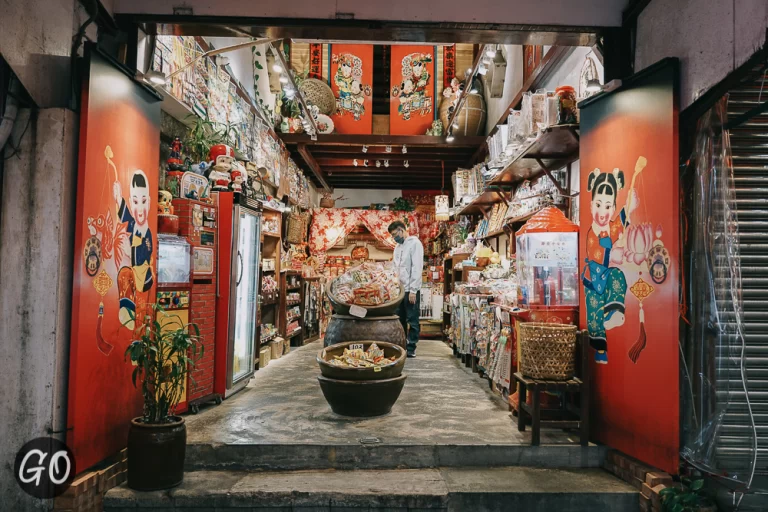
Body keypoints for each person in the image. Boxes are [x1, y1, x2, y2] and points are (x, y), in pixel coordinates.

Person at [389, 221, 424, 358]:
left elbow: (417, 267)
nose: (394, 238)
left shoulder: (415, 244)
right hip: (400, 289)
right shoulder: (397, 247)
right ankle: (402, 345)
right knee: (400, 318)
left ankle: (411, 347)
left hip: (411, 289)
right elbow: (395, 267)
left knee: (412, 319)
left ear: (401, 230)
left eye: (394, 234)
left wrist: (414, 290)